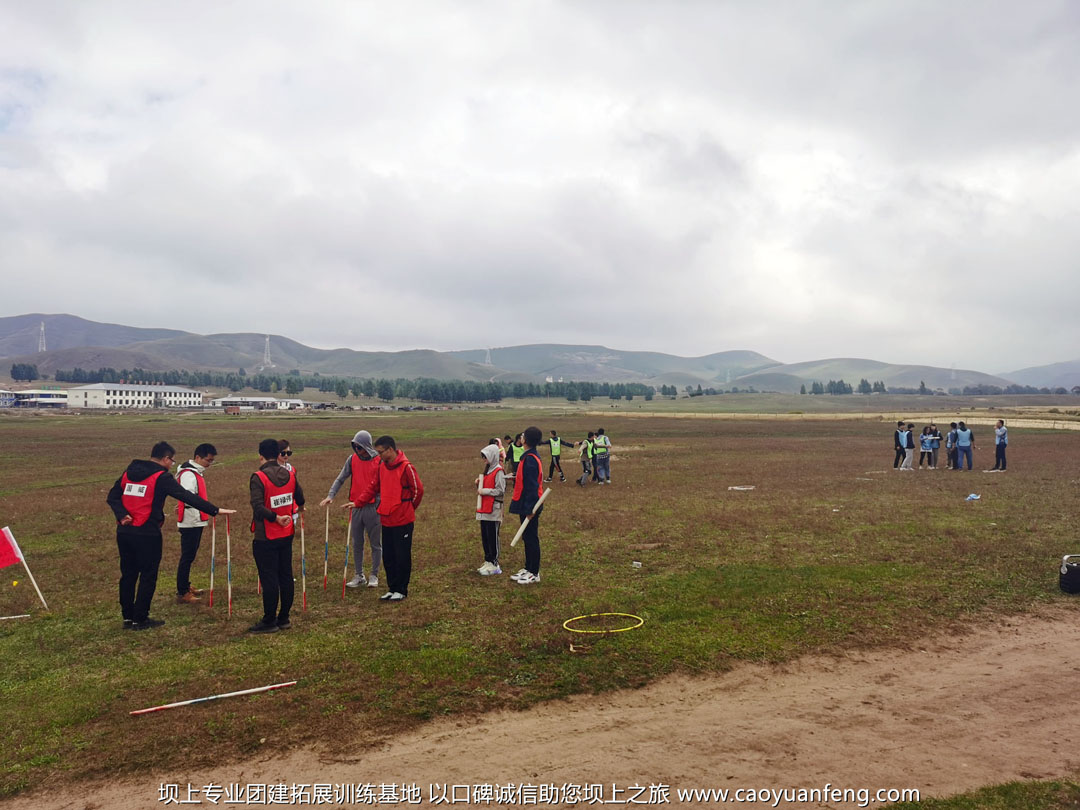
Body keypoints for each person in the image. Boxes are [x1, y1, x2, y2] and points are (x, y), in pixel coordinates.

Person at [107, 441, 234, 630]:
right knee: (148, 575)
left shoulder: (129, 472)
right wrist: (215, 510)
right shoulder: (161, 476)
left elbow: (112, 496)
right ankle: (140, 618)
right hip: (147, 533)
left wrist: (121, 514)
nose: (171, 465)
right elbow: (185, 496)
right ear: (166, 459)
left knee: (128, 575)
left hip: (125, 531)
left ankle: (127, 616)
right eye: (172, 461)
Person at [348, 435, 423, 602]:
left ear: (390, 450)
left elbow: (418, 490)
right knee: (388, 556)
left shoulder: (406, 467)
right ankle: (392, 588)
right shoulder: (382, 466)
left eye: (381, 452)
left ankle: (402, 590)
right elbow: (373, 487)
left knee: (402, 555)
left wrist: (408, 508)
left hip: (403, 520)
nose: (379, 455)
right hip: (386, 518)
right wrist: (357, 503)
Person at [249, 437, 305, 633]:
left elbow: (257, 507)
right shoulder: (289, 474)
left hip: (266, 536)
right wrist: (286, 514)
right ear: (279, 454)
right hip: (286, 533)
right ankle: (284, 618)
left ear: (261, 456)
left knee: (269, 579)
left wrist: (274, 517)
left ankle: (269, 620)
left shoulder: (259, 477)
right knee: (286, 576)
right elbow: (300, 498)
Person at [320, 431, 382, 590]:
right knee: (357, 543)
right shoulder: (352, 459)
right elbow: (341, 478)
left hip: (373, 507)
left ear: (366, 446)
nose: (357, 450)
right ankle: (358, 575)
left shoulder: (378, 461)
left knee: (375, 543)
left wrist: (380, 505)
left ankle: (374, 575)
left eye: (360, 447)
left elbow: (384, 485)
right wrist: (330, 495)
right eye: (355, 446)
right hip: (355, 507)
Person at [175, 443, 218, 604]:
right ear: (198, 457)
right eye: (208, 460)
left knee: (190, 555)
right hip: (190, 520)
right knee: (187, 556)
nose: (209, 464)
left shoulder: (195, 472)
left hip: (196, 519)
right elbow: (187, 496)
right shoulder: (188, 474)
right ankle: (182, 591)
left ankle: (186, 585)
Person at [509, 426, 545, 585]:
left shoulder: (530, 458)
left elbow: (531, 485)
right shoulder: (528, 456)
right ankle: (527, 568)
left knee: (531, 538)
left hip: (531, 505)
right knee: (526, 536)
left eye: (523, 435)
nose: (521, 436)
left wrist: (531, 509)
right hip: (525, 503)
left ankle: (534, 572)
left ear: (527, 440)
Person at [475, 443, 506, 575]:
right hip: (484, 508)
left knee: (492, 536)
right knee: (485, 535)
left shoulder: (499, 471)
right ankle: (488, 560)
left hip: (493, 509)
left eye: (485, 457)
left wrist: (484, 490)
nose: (484, 460)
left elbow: (500, 490)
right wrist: (479, 483)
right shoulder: (488, 470)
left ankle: (494, 563)